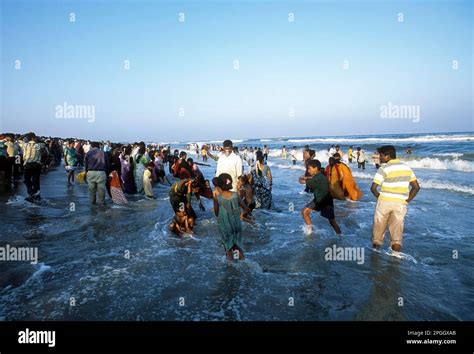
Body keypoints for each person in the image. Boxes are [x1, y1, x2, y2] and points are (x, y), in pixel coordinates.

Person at [370, 145, 420, 252]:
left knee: (378, 232)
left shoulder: (383, 168)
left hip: (384, 202)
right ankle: (396, 257)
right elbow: (416, 187)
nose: (379, 158)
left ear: (387, 156)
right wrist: (406, 201)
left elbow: (373, 188)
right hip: (400, 204)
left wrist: (380, 197)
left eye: (381, 156)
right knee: (397, 235)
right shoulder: (406, 168)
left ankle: (375, 254)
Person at [213, 173, 250, 260]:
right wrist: (241, 215)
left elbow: (216, 213)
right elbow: (246, 209)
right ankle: (243, 264)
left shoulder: (217, 197)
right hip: (237, 225)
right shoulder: (235, 195)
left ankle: (232, 269)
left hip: (225, 226)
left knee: (228, 249)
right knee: (237, 247)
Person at [299, 159, 341, 235]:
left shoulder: (316, 179)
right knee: (304, 212)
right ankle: (309, 232)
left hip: (326, 202)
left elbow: (301, 181)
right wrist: (307, 178)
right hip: (319, 199)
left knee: (332, 221)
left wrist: (301, 178)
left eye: (309, 169)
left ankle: (340, 235)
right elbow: (313, 180)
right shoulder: (319, 176)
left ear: (315, 168)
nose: (308, 171)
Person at [85, 141, 109, 206]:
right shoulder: (103, 153)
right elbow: (107, 164)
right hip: (101, 173)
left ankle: (92, 204)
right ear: (98, 146)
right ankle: (102, 205)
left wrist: (86, 172)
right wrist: (107, 173)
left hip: (90, 172)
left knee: (92, 191)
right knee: (101, 190)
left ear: (92, 146)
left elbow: (86, 164)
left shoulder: (88, 153)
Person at [22, 132, 42, 202]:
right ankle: (36, 194)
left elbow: (20, 140)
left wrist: (24, 135)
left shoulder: (25, 145)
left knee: (26, 180)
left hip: (27, 164)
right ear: (33, 138)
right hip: (36, 165)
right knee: (36, 180)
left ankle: (30, 193)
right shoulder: (39, 145)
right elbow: (43, 145)